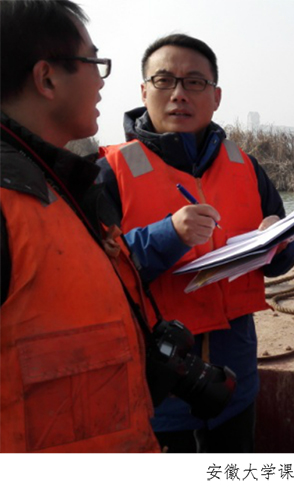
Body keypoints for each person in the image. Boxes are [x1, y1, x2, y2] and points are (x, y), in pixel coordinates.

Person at [96, 34, 294, 453]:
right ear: (144, 91)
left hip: (235, 380)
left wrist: (279, 242)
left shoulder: (246, 166)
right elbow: (94, 276)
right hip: (154, 390)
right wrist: (168, 235)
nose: (178, 94)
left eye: (194, 82)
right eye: (164, 81)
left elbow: (282, 260)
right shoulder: (109, 171)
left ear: (216, 96)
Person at [0, 0, 158, 453]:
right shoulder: (10, 204)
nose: (102, 80)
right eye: (93, 62)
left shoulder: (64, 185)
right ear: (47, 78)